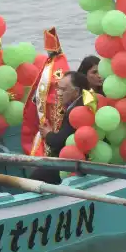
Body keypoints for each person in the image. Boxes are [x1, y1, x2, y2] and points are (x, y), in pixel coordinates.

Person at [29, 71, 89, 185]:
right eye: (58, 88)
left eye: (63, 90)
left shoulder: (76, 111)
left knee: (35, 177)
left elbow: (59, 141)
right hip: (79, 158)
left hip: (75, 163)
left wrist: (48, 134)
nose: (59, 93)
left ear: (76, 92)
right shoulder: (83, 102)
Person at [21, 27, 70, 157]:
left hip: (56, 108)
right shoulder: (50, 63)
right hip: (47, 108)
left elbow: (57, 84)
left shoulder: (59, 63)